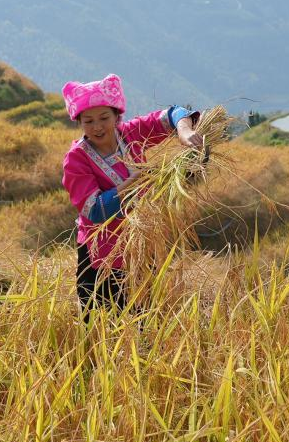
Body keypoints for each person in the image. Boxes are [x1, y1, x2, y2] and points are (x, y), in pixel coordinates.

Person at [60, 74, 204, 318]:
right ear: (80, 123)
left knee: (145, 321)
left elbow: (172, 115)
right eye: (88, 121)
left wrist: (184, 131)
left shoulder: (131, 134)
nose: (97, 127)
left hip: (141, 246)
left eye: (104, 118)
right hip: (100, 254)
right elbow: (94, 210)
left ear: (117, 116)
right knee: (101, 326)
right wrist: (132, 184)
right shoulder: (77, 158)